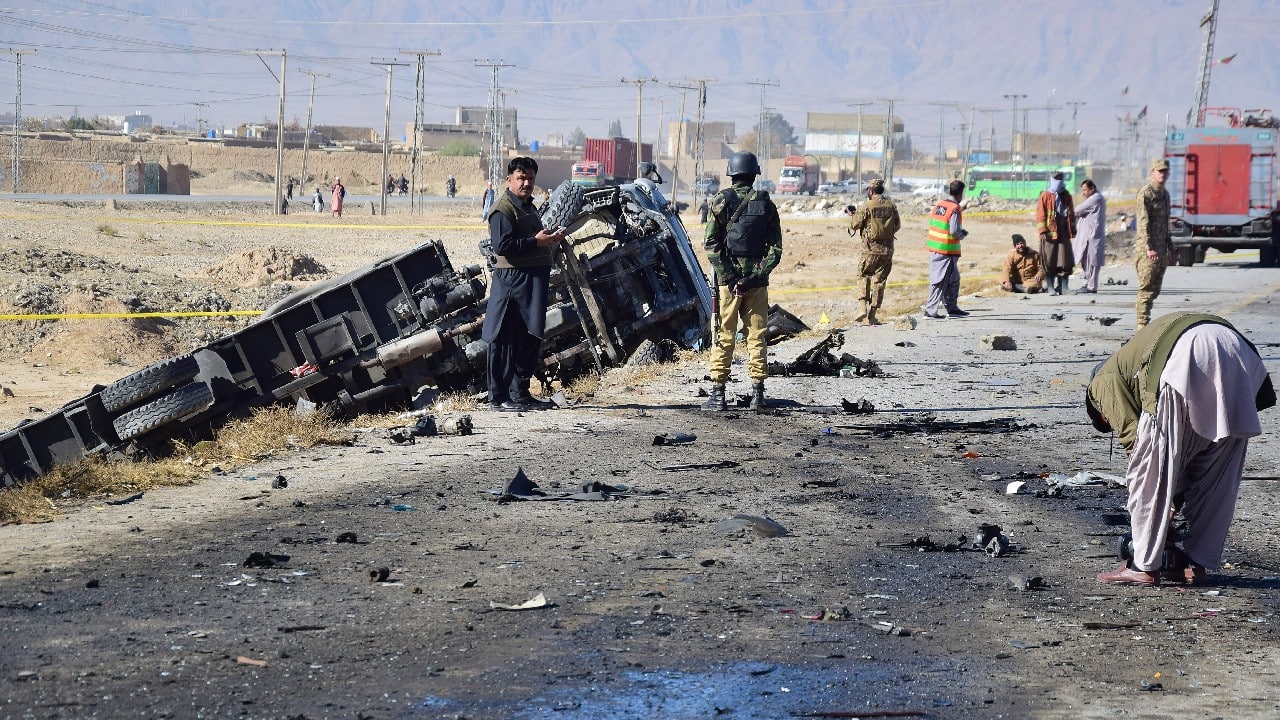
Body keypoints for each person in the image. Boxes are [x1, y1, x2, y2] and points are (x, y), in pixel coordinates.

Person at [1085, 312, 1275, 586]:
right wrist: (1174, 499)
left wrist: (1166, 504)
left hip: (1186, 353)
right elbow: (1187, 457)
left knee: (1147, 471)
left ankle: (1143, 566)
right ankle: (1196, 563)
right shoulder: (1131, 362)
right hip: (1239, 352)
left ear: (1099, 411)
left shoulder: (1101, 382)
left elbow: (1135, 441)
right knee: (1216, 478)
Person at [481, 157, 567, 412]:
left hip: (532, 281)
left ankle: (520, 394)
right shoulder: (503, 209)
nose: (526, 183)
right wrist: (536, 242)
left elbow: (529, 238)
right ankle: (498, 398)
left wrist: (548, 238)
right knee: (504, 338)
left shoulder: (528, 206)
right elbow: (503, 246)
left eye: (530, 178)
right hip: (512, 281)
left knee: (529, 335)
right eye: (521, 178)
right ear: (509, 180)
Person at [701, 151, 783, 412]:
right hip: (757, 284)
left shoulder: (720, 200)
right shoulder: (766, 203)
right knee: (757, 336)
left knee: (724, 335)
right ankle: (758, 395)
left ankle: (718, 395)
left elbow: (710, 243)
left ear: (732, 174)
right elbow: (775, 250)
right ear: (754, 174)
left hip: (728, 285)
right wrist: (754, 276)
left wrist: (730, 276)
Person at [848, 178, 900, 326]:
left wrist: (853, 215)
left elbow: (855, 225)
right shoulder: (891, 205)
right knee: (880, 281)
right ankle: (872, 315)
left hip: (870, 250)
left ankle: (862, 307)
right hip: (887, 250)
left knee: (864, 275)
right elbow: (897, 225)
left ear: (871, 191)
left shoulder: (867, 205)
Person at [922, 179, 969, 319]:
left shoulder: (940, 205)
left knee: (953, 280)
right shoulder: (954, 208)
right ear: (960, 193)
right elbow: (954, 230)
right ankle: (930, 310)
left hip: (936, 247)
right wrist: (962, 235)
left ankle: (952, 308)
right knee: (940, 281)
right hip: (946, 249)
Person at [1135, 159, 1173, 329]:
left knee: (1154, 290)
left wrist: (1171, 247)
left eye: (1165, 171)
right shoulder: (1146, 194)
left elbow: (1165, 223)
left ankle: (1145, 323)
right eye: (1159, 171)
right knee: (1146, 289)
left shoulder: (1165, 195)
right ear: (1152, 173)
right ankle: (1142, 327)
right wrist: (1148, 248)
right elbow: (1143, 223)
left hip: (1161, 249)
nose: (1162, 174)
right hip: (1147, 251)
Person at [1034, 172, 1077, 295]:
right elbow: (1040, 214)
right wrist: (1042, 230)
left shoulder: (1066, 195)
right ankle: (1050, 287)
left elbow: (1071, 213)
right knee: (1050, 260)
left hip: (1063, 233)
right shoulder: (1045, 195)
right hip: (1049, 234)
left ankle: (1064, 288)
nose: (1058, 182)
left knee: (1065, 261)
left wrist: (1072, 229)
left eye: (1060, 179)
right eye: (1056, 179)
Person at [1073, 179, 1107, 294]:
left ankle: (1091, 286)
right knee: (1086, 259)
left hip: (1092, 236)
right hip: (1088, 235)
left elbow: (1077, 210)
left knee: (1092, 260)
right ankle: (1086, 283)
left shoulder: (1095, 198)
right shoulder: (1095, 198)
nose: (1083, 193)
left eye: (1085, 190)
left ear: (1092, 188)